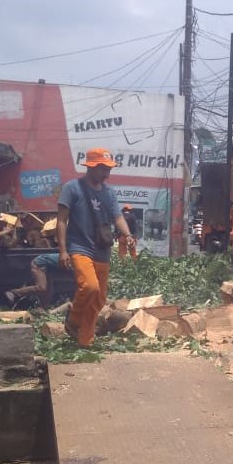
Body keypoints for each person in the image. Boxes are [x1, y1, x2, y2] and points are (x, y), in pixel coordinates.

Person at [57, 147, 136, 347]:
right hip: (79, 247)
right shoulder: (72, 188)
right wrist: (63, 250)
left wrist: (127, 235)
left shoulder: (109, 193)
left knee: (99, 300)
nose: (107, 173)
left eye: (109, 168)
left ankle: (85, 341)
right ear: (91, 167)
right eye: (103, 168)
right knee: (89, 287)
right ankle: (73, 319)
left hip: (102, 250)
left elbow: (118, 217)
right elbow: (61, 221)